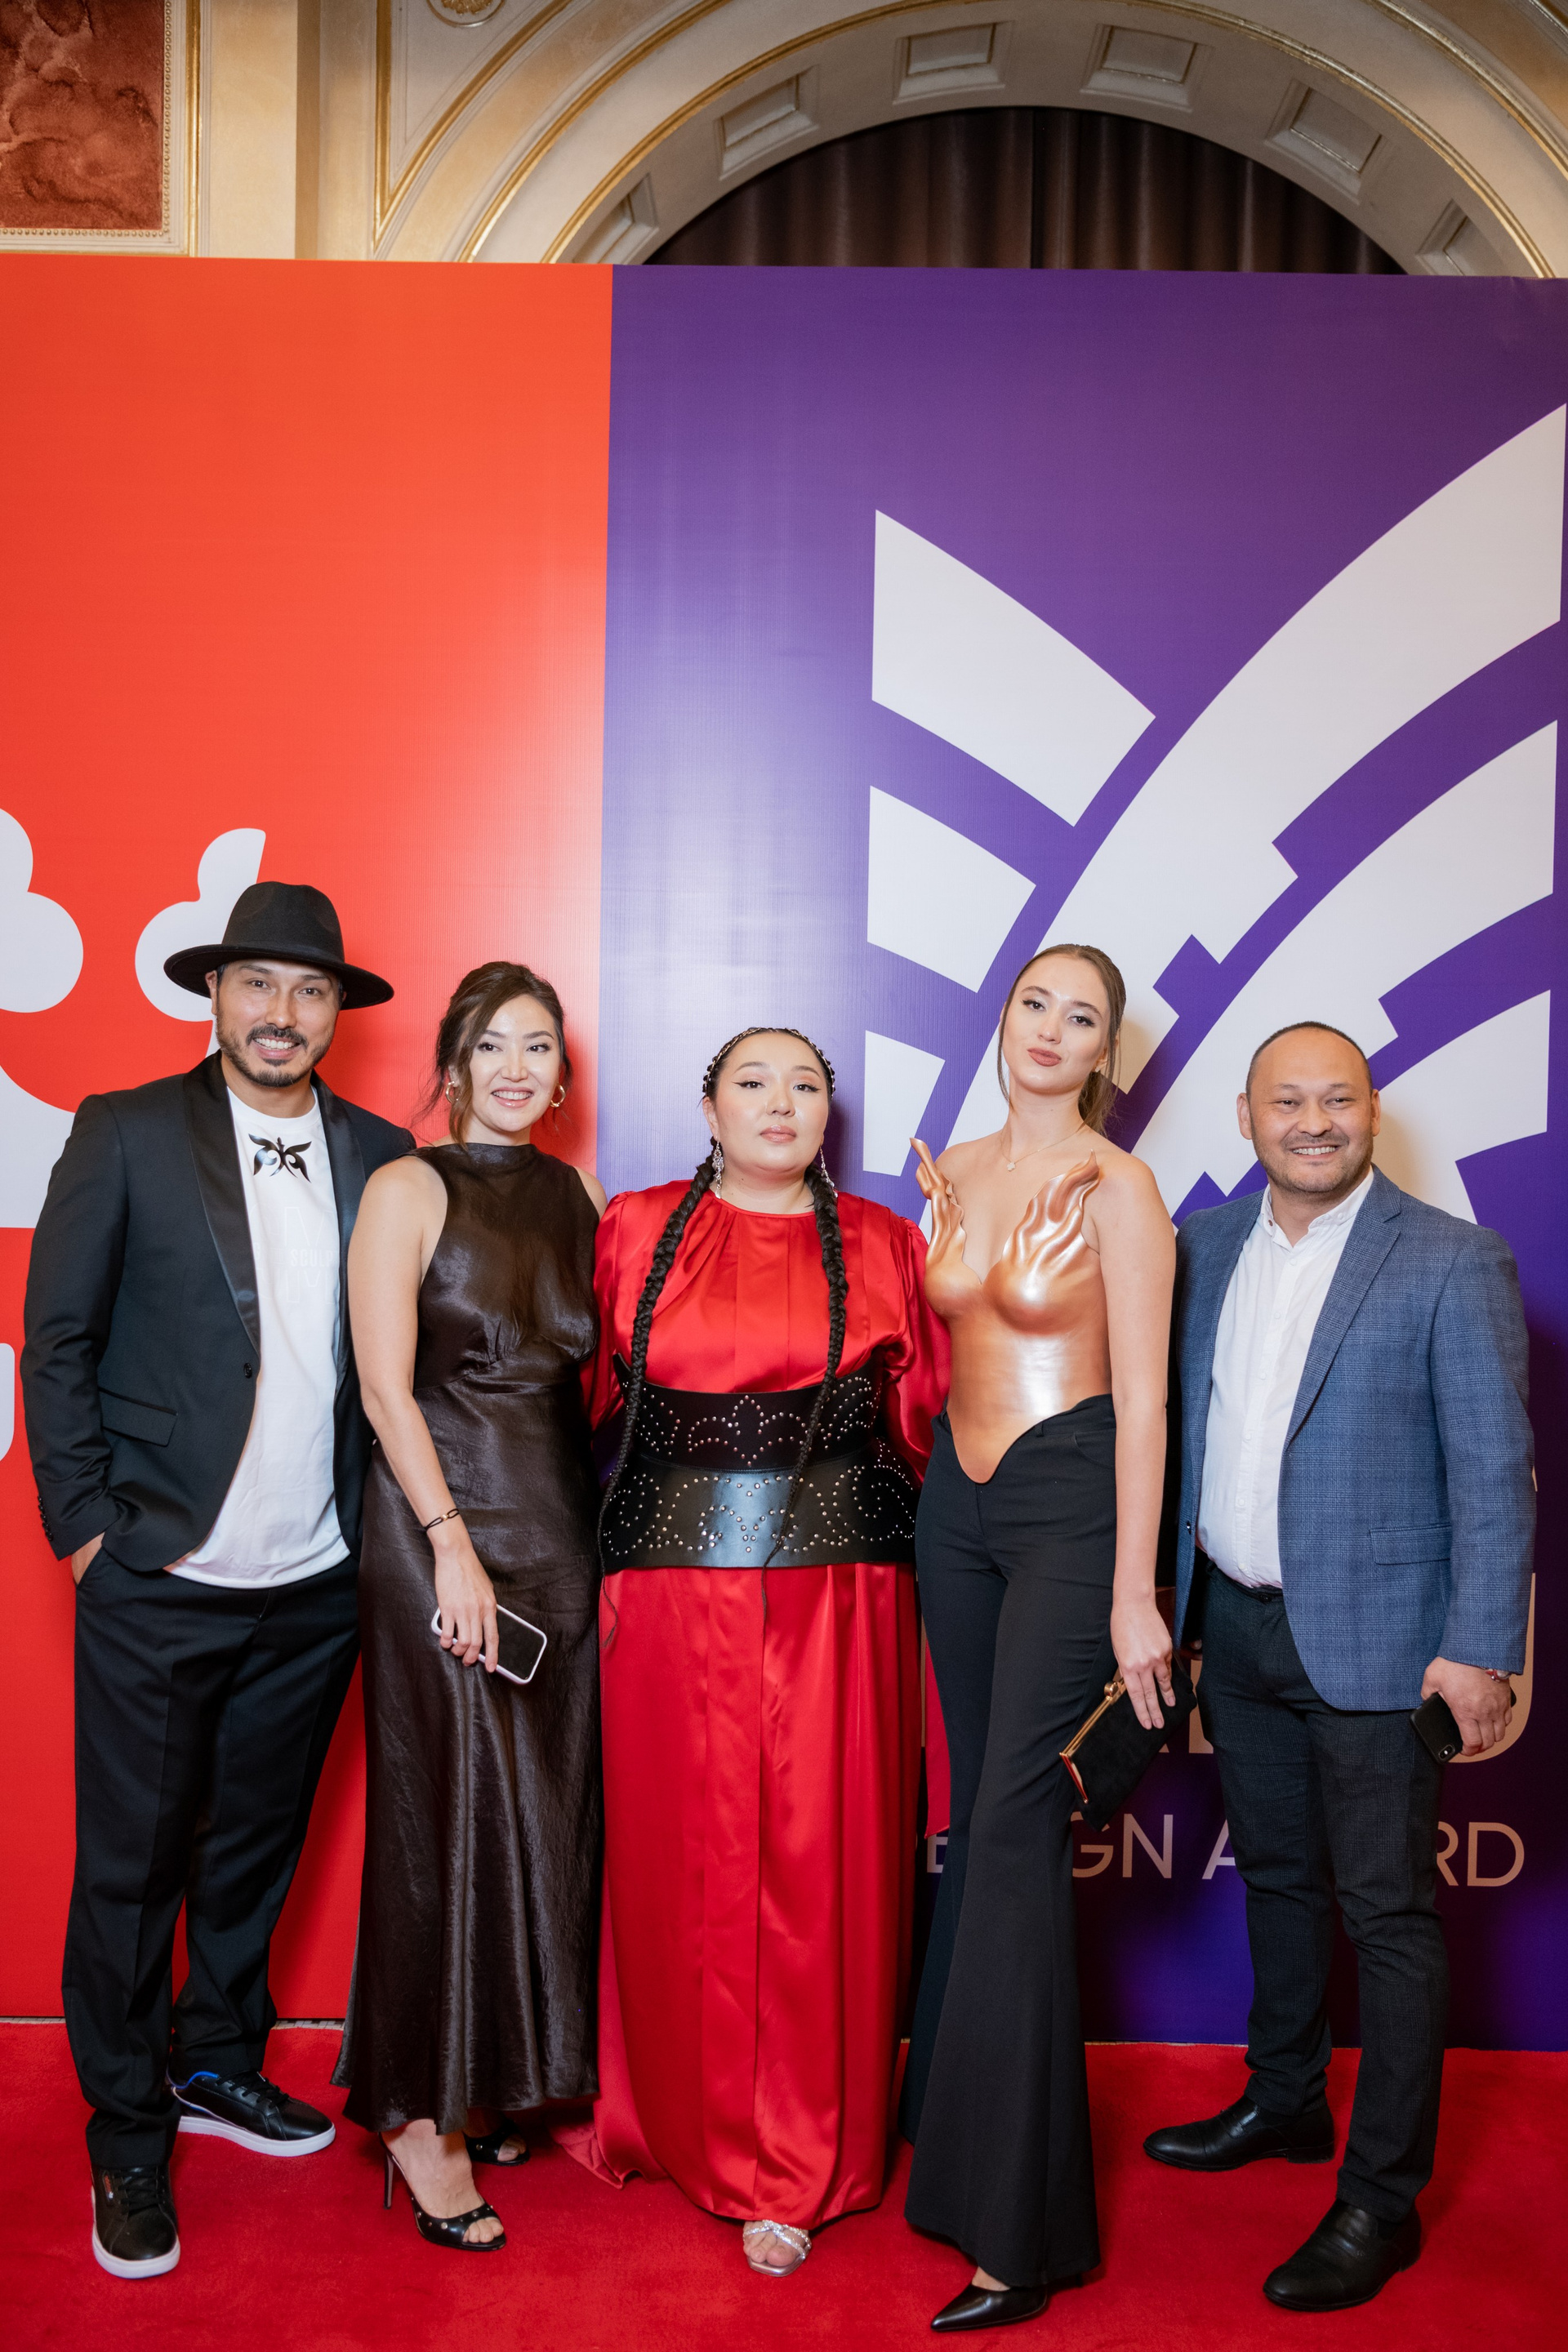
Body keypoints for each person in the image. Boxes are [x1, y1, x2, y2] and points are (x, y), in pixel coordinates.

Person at [21, 881, 411, 2281]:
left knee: (254, 1844)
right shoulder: (126, 1131)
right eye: (258, 984)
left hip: (317, 1580)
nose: (281, 1012)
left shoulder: (383, 1154)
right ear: (216, 996)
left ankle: (217, 2061)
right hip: (161, 1566)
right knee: (131, 1869)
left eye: (308, 989)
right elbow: (56, 1340)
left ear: (336, 1012)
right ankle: (127, 2130)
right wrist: (87, 1526)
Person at [1146, 1020, 1532, 2313]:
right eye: (1288, 1101)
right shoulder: (1200, 1248)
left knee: (1388, 1917)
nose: (1314, 1121)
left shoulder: (1453, 1258)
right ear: (1245, 1118)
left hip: (1385, 1644)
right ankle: (1286, 2100)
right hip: (1237, 1627)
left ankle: (1380, 2199)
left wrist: (1480, 1649)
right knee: (1280, 1882)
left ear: (1372, 1111)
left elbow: (1495, 1473)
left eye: (1339, 1099)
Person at [562, 1027, 947, 2278]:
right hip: (664, 1601)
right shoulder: (632, 1229)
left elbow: (936, 1428)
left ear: (831, 1111)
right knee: (684, 1858)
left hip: (843, 1599)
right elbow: (563, 1406)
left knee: (819, 1862)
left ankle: (798, 2158)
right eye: (753, 1082)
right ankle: (670, 2120)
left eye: (806, 1084)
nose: (782, 1103)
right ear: (709, 1106)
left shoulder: (888, 1244)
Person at [900, 944, 1176, 2333]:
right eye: (1035, 1005)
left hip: (1073, 1502)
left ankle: (1020, 2237)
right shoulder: (950, 1166)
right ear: (1003, 1018)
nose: (1053, 1031)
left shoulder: (1120, 1187)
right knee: (978, 1819)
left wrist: (1134, 1593)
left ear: (1105, 1053)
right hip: (954, 1511)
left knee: (1015, 1834)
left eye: (1084, 1018)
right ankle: (943, 2145)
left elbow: (1149, 1405)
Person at [332, 962, 605, 2252]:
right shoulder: (406, 1188)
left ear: (561, 1079)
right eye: (492, 1045)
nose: (515, 1068)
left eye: (538, 1047)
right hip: (438, 1527)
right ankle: (413, 2112)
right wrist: (449, 1548)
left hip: (559, 1534)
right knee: (442, 1810)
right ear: (452, 1063)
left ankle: (490, 2073)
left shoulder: (579, 1196)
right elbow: (386, 1389)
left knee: (536, 1813)